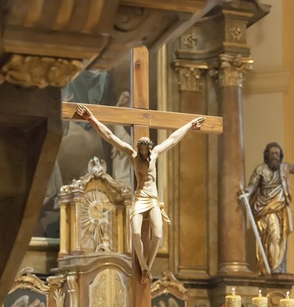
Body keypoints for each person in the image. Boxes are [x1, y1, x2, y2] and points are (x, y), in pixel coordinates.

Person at [76, 103, 205, 284]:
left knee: (158, 235)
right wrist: (91, 119)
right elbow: (110, 136)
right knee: (135, 233)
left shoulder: (155, 154)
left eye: (146, 151)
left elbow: (174, 138)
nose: (144, 153)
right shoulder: (133, 155)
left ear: (150, 149)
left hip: (152, 199)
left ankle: (148, 266)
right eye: (141, 151)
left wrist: (190, 126)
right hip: (139, 197)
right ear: (139, 149)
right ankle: (144, 267)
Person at [243, 143, 294, 275]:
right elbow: (253, 185)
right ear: (267, 155)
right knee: (274, 236)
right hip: (266, 208)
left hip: (280, 208)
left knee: (281, 238)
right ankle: (274, 266)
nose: (275, 157)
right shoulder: (260, 169)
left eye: (277, 154)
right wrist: (247, 192)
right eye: (272, 154)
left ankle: (277, 265)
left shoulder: (284, 168)